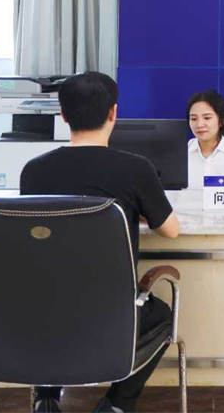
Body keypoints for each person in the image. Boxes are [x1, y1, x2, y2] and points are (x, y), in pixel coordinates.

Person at [19, 72, 179, 413]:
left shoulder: (33, 171)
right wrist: (132, 209)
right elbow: (170, 230)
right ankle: (117, 405)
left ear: (63, 115)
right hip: (113, 316)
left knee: (54, 300)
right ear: (113, 113)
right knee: (162, 315)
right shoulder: (136, 169)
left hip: (44, 312)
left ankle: (46, 398)